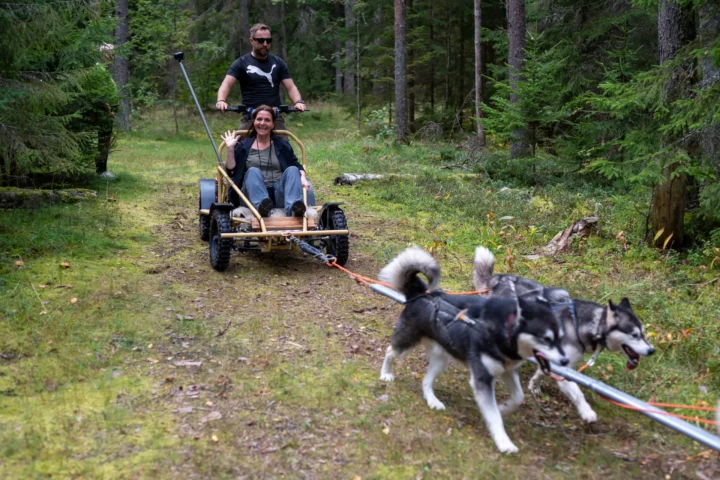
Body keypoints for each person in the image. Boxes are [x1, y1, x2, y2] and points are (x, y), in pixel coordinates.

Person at [221, 106, 315, 217]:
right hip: (251, 194)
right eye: (259, 119)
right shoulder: (243, 146)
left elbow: (297, 166)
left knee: (292, 170)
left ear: (273, 124)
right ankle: (262, 208)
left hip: (278, 192)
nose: (262, 123)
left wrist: (303, 178)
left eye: (267, 120)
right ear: (254, 121)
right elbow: (231, 172)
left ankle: (294, 209)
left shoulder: (281, 145)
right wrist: (230, 148)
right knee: (253, 171)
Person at [216, 23, 306, 132]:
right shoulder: (241, 63)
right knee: (237, 146)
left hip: (274, 117)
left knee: (284, 147)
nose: (265, 44)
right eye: (260, 40)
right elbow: (227, 84)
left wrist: (298, 102)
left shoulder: (278, 63)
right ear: (251, 41)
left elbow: (291, 87)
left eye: (268, 41)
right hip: (250, 116)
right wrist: (221, 100)